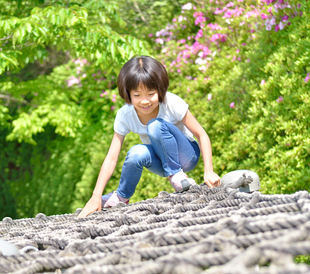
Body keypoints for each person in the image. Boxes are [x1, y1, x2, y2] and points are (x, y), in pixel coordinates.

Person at [78, 56, 220, 218]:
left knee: (155, 125)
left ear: (160, 90)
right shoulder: (125, 115)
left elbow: (201, 134)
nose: (144, 101)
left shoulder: (171, 103)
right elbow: (111, 158)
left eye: (151, 93)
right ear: (128, 94)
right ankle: (121, 197)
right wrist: (96, 196)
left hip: (187, 154)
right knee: (136, 152)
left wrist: (209, 171)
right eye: (137, 95)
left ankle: (176, 174)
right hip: (161, 161)